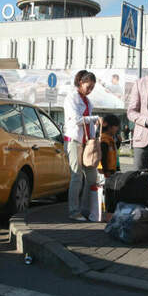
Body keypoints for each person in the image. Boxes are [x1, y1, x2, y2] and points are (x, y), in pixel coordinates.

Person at [63, 70, 102, 221]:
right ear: (80, 82)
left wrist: (93, 138)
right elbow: (76, 120)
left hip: (87, 142)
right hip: (73, 140)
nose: (90, 90)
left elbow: (89, 123)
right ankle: (74, 211)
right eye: (88, 86)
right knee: (77, 176)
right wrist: (94, 118)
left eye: (92, 87)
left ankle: (88, 209)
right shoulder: (71, 98)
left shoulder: (88, 101)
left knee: (92, 177)